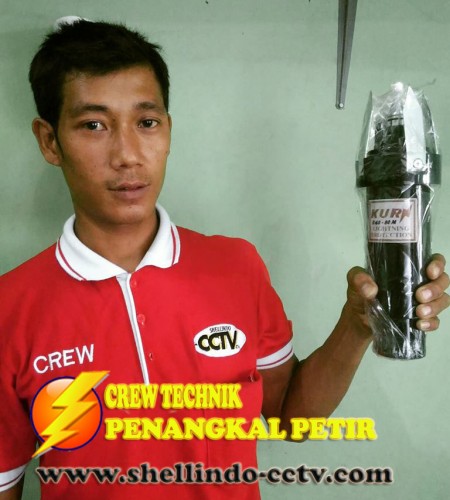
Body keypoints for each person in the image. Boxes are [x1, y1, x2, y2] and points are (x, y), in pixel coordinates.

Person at [0, 19, 448, 500]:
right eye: (94, 125)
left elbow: (290, 417)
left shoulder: (235, 266)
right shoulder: (11, 307)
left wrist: (357, 324)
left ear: (168, 129)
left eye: (146, 123)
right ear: (50, 141)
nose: (128, 155)